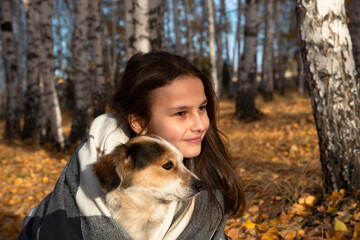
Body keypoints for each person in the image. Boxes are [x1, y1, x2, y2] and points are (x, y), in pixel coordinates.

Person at [18, 51, 246, 240]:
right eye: (180, 113)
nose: (200, 124)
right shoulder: (69, 206)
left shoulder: (209, 174)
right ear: (139, 122)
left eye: (202, 107)